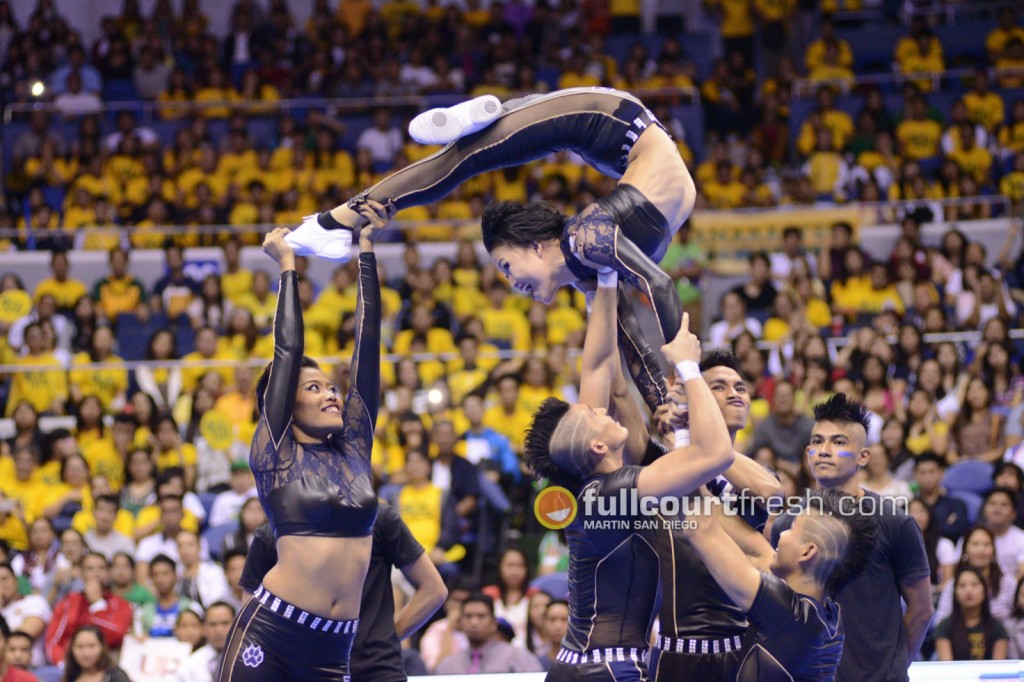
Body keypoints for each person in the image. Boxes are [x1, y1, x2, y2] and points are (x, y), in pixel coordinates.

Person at [286, 87, 697, 411]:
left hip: (611, 120)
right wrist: (663, 403)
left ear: (535, 246)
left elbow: (658, 283)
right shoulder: (592, 263)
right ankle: (484, 116)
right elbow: (630, 342)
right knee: (477, 149)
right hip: (619, 137)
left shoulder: (587, 236)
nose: (512, 283)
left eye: (506, 266)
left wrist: (684, 374)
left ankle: (338, 219)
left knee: (466, 159)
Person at [525, 271, 734, 681]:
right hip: (608, 668)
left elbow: (599, 364)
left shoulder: (588, 482)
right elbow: (715, 454)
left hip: (580, 662)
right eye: (593, 415)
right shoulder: (613, 491)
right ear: (597, 447)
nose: (600, 408)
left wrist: (602, 283)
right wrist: (690, 368)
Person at [218, 202, 389, 681]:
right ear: (284, 405)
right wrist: (288, 265)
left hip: (334, 645)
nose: (332, 393)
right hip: (271, 631)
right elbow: (287, 351)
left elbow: (367, 347)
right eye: (313, 388)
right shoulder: (274, 453)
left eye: (331, 386)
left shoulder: (355, 447)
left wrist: (367, 251)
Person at [770, 395, 934, 682]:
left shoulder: (895, 522)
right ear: (808, 451)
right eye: (818, 442)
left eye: (838, 442)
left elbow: (921, 610)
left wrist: (892, 669)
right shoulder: (786, 525)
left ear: (863, 456)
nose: (824, 450)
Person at [646, 349, 783, 681]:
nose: (735, 393)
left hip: (742, 649)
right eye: (719, 387)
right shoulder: (661, 467)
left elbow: (772, 493)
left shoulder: (756, 475)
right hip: (676, 652)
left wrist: (699, 439)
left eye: (740, 387)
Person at [238, 504, 448, 682]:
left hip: (374, 670)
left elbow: (434, 590)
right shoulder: (271, 533)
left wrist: (388, 638)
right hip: (304, 672)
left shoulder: (380, 518)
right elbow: (250, 618)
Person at [682, 486, 874, 680]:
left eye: (791, 529)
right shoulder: (828, 615)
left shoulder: (785, 612)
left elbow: (701, 529)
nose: (781, 534)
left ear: (807, 552)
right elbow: (755, 549)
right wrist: (705, 487)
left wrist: (694, 464)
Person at [44, 553, 131, 666]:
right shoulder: (68, 603)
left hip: (107, 666)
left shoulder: (121, 604)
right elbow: (53, 641)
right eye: (90, 569)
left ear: (109, 573)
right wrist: (63, 664)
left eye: (101, 568)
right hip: (70, 665)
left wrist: (97, 604)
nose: (96, 573)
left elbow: (117, 638)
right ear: (81, 574)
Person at [435, 594, 543, 674]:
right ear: (460, 622)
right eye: (468, 616)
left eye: (481, 616)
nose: (474, 622)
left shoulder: (517, 658)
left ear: (494, 623)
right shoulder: (449, 665)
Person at [934, 568, 1009, 661]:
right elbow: (947, 666)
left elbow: (999, 668)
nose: (968, 590)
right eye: (962, 585)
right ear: (955, 593)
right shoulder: (945, 626)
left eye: (974, 584)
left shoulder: (996, 627)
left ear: (985, 591)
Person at [175, 602, 236, 682]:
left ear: (236, 625)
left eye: (225, 623)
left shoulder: (248, 661)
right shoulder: (189, 665)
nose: (219, 630)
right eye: (212, 624)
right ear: (204, 628)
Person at [60, 626, 130, 682]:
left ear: (102, 647)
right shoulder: (69, 677)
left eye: (92, 646)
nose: (86, 653)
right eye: (80, 647)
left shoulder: (116, 676)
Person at [0, 615, 38, 682]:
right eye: (12, 649)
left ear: (6, 642)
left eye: (24, 650)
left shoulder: (25, 680)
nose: (18, 655)